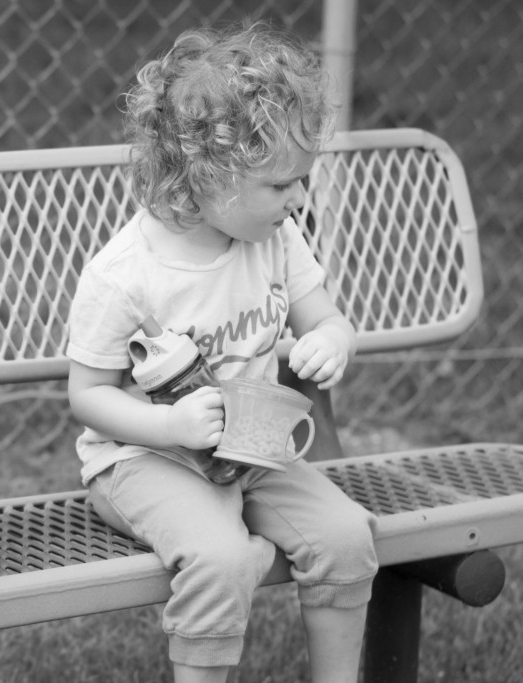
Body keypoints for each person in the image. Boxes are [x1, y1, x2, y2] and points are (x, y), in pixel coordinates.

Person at [66, 23, 378, 683]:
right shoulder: (127, 274)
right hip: (145, 459)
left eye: (303, 180)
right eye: (281, 185)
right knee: (222, 556)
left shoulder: (277, 240)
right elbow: (87, 396)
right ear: (206, 173)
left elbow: (327, 318)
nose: (299, 199)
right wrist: (170, 427)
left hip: (252, 444)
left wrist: (330, 339)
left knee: (347, 537)